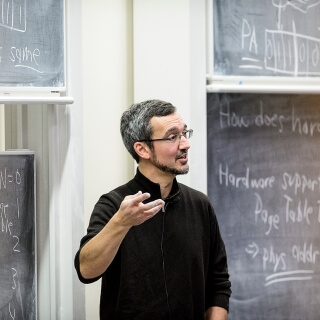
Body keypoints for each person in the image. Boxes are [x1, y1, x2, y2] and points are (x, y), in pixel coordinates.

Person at [74, 99, 231, 320]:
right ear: (142, 149)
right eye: (172, 136)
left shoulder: (199, 205)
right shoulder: (113, 205)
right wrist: (121, 223)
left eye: (184, 133)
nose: (185, 144)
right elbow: (86, 270)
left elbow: (218, 284)